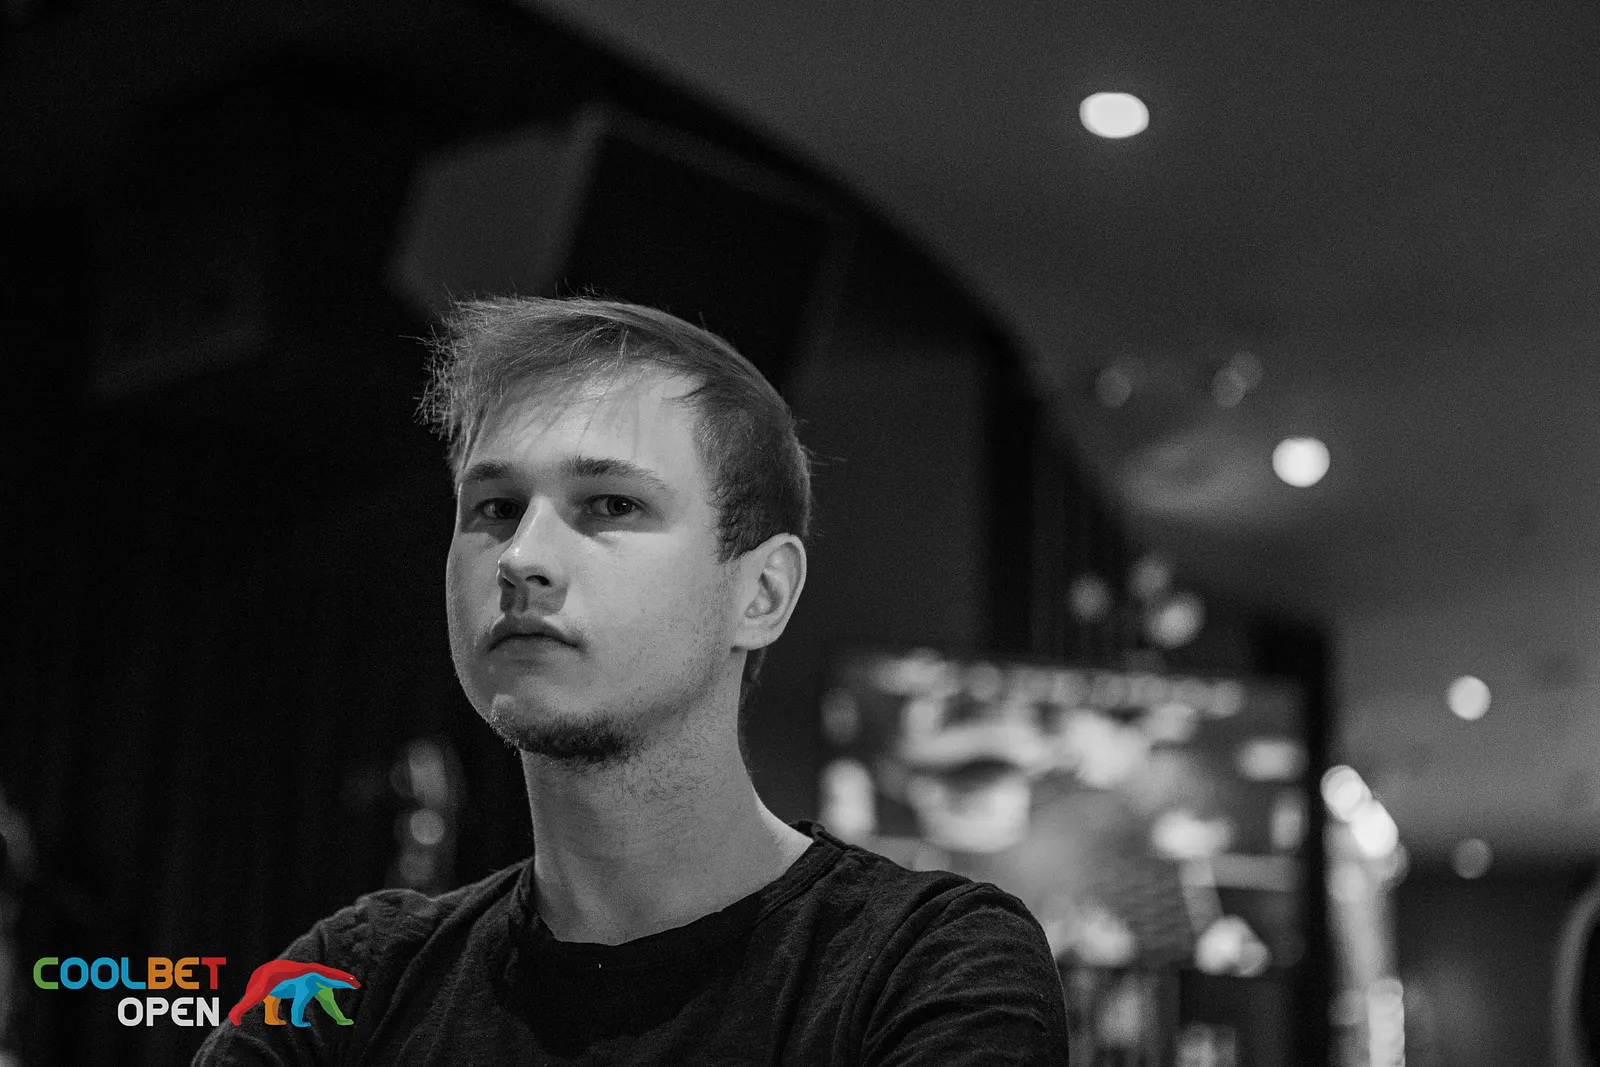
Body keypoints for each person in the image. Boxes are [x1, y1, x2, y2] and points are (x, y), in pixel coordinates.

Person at [192, 296, 1070, 1065]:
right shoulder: (353, 977)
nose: (522, 557)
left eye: (611, 504)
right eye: (496, 508)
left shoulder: (925, 964)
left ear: (761, 593)